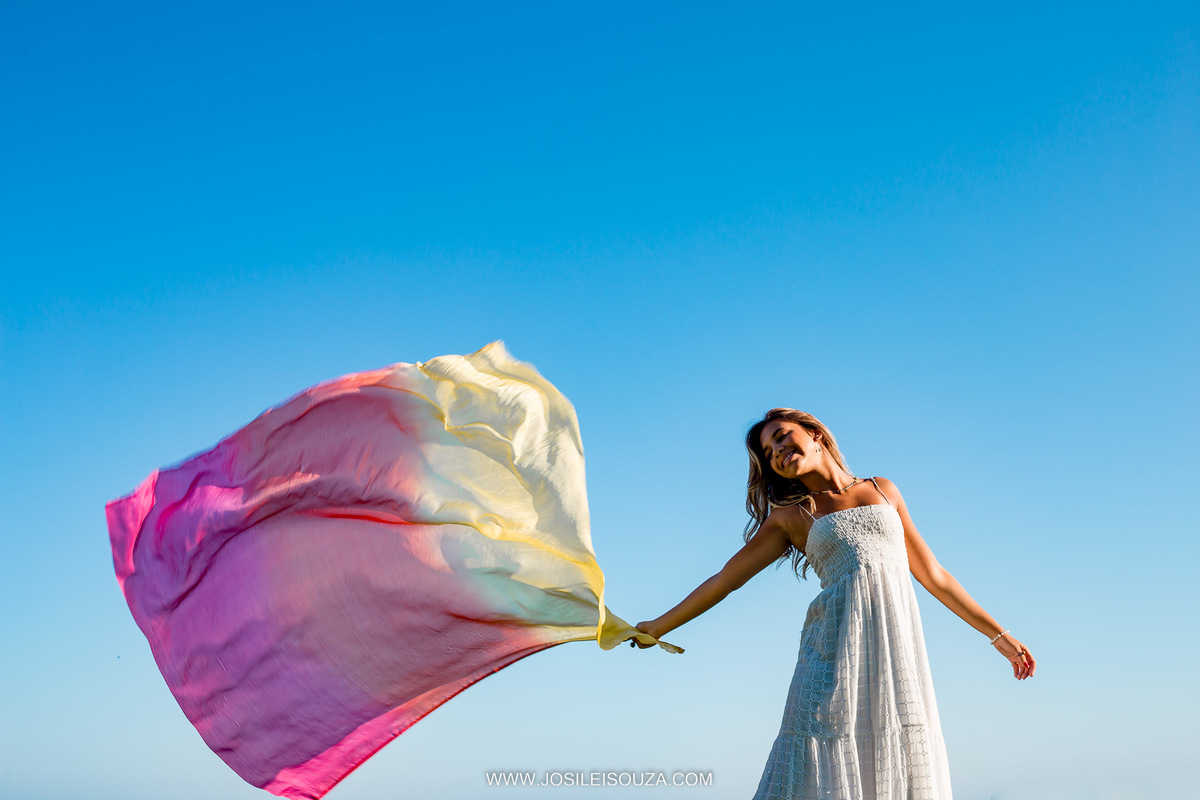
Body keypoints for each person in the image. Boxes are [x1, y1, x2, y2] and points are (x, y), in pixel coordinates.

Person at [633, 408, 1035, 799]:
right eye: (769, 454)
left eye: (781, 437)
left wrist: (999, 635)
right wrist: (658, 627)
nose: (777, 452)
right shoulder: (791, 516)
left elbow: (934, 574)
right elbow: (725, 581)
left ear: (814, 434)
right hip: (831, 657)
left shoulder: (882, 489)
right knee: (814, 762)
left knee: (901, 754)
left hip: (895, 658)